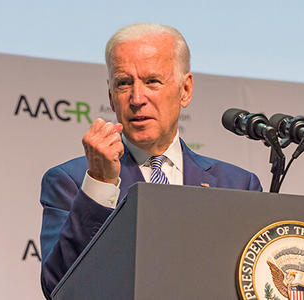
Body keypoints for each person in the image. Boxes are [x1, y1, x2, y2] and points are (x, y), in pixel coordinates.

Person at [39, 23, 262, 298]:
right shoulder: (70, 181)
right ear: (110, 96)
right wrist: (101, 184)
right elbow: (58, 287)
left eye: (152, 81)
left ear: (185, 90)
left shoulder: (238, 185)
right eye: (123, 83)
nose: (136, 98)